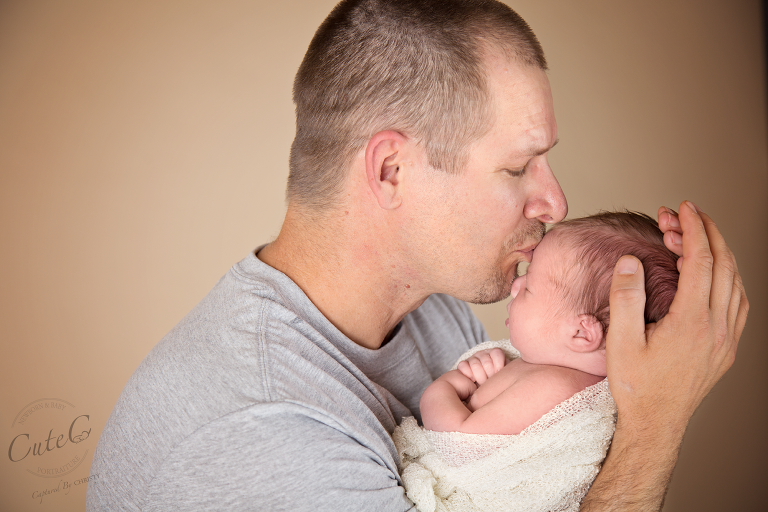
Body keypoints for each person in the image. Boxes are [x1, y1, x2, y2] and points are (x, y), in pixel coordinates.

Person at [86, 1, 748, 511]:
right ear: (393, 171)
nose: (555, 199)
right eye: (519, 166)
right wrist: (653, 428)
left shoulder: (438, 311)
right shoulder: (261, 437)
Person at [394, 212, 679, 511]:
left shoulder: (554, 386)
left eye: (529, 287)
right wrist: (484, 374)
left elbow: (460, 444)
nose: (516, 285)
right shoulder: (551, 369)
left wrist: (444, 389)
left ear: (581, 333)